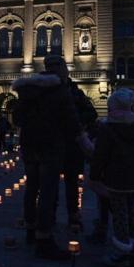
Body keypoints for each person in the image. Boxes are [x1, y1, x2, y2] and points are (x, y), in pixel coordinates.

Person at [13, 55, 81, 260]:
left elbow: (16, 118)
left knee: (32, 188)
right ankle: (44, 239)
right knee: (48, 191)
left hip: (29, 145)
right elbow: (72, 120)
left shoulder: (27, 90)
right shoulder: (59, 90)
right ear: (60, 70)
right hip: (50, 147)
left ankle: (31, 231)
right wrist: (86, 145)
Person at [89, 88, 134, 267]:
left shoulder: (108, 128)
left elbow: (101, 154)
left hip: (116, 178)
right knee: (132, 213)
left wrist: (95, 175)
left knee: (120, 214)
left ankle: (122, 252)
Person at [45, 55, 97, 231]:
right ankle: (48, 217)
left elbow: (91, 113)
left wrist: (75, 123)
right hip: (51, 144)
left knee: (71, 184)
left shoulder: (75, 92)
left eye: (58, 67)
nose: (56, 71)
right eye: (51, 68)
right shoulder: (42, 90)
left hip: (71, 145)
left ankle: (73, 216)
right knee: (49, 184)